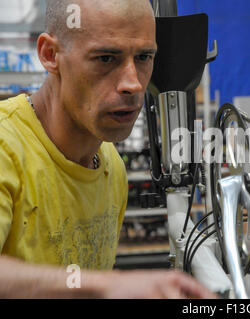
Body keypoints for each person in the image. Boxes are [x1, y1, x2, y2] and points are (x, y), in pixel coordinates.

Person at [0, 0, 215, 299]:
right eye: (105, 58)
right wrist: (108, 285)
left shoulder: (111, 166)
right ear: (51, 55)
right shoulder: (5, 146)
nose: (133, 84)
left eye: (144, 57)